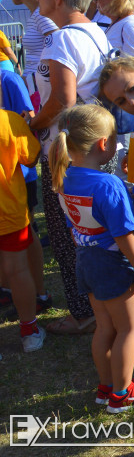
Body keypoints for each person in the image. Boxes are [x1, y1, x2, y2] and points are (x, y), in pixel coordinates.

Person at [49, 104, 134, 410]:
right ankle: (122, 395)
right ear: (105, 144)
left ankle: (106, 387)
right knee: (129, 328)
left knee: (105, 328)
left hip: (85, 261)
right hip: (113, 263)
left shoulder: (65, 176)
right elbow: (123, 234)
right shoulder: (107, 184)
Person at [29, 0, 116, 335]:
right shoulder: (95, 31)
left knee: (68, 233)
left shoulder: (63, 38)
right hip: (95, 144)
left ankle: (84, 312)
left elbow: (62, 100)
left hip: (68, 149)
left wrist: (33, 126)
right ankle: (105, 302)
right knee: (98, 228)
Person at [0, 100, 42, 352]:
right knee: (17, 271)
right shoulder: (8, 120)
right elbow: (31, 156)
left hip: (9, 212)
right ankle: (30, 331)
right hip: (8, 210)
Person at [4, 0, 55, 95]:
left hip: (42, 90)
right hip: (36, 87)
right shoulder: (36, 13)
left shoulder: (41, 14)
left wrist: (30, 81)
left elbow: (59, 47)